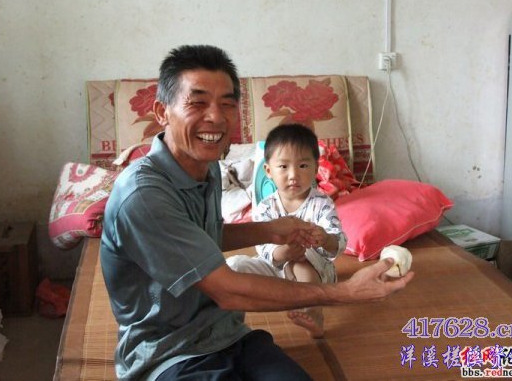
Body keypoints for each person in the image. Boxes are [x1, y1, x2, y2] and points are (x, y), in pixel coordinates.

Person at [100, 44, 414, 381]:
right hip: (169, 353)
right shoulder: (143, 196)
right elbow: (227, 290)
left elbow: (198, 238)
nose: (216, 117)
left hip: (228, 332)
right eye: (198, 102)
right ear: (162, 112)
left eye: (227, 104)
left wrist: (267, 230)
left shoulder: (206, 168)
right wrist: (345, 293)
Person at [227, 123, 345, 338]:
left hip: (316, 273)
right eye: (283, 166)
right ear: (268, 171)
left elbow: (338, 243)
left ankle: (313, 313)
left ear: (315, 169)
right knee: (234, 266)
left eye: (302, 166)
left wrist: (326, 239)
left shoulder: (322, 204)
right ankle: (229, 324)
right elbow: (262, 246)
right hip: (276, 268)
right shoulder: (265, 207)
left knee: (301, 260)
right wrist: (280, 253)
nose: (293, 175)